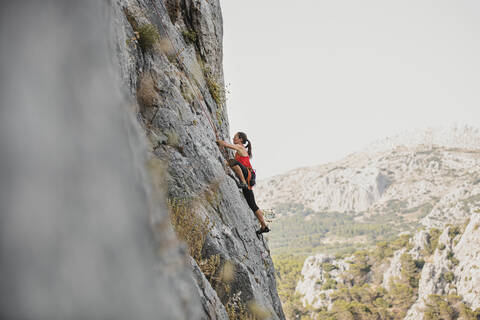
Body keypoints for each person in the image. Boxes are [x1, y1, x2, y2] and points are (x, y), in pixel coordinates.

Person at [217, 132, 270, 235]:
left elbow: (228, 145)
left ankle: (243, 182)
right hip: (249, 175)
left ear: (240, 139)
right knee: (252, 204)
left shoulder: (240, 147)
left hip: (247, 175)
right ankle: (264, 225)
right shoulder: (241, 149)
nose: (233, 138)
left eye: (235, 137)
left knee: (232, 162)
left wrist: (219, 142)